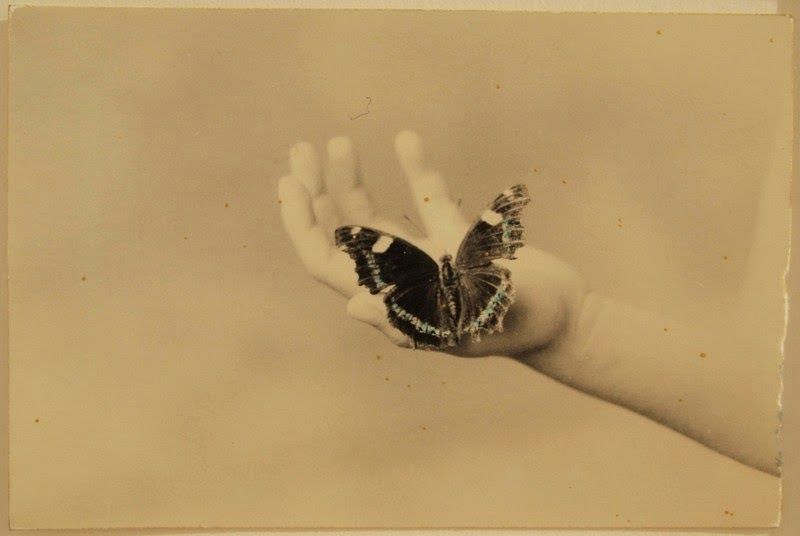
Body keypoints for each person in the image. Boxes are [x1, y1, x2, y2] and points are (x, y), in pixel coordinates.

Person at [278, 130, 781, 477]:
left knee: (426, 302)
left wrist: (575, 326)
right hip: (483, 294)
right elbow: (770, 404)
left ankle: (436, 313)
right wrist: (574, 327)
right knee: (463, 296)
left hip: (424, 301)